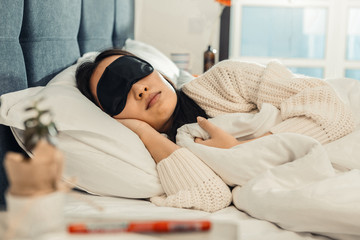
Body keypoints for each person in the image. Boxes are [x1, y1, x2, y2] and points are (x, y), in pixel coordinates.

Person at [75, 49, 355, 212]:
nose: (139, 88)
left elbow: (327, 104)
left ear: (156, 70)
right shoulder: (154, 151)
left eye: (134, 71)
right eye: (116, 94)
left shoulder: (225, 79)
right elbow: (212, 196)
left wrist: (248, 149)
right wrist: (144, 133)